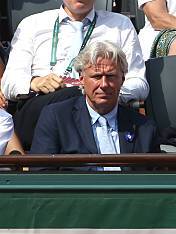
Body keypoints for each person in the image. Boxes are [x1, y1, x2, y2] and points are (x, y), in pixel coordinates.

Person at [1, 0, 148, 151]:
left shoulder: (120, 25)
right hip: (42, 104)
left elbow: (139, 83)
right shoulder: (32, 24)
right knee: (75, 98)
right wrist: (35, 82)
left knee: (81, 96)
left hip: (99, 108)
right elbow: (9, 83)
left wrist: (101, 90)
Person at [30, 41, 160, 170]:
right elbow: (41, 175)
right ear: (81, 80)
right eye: (97, 76)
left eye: (110, 76)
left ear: (122, 80)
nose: (104, 84)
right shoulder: (56, 118)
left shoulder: (144, 127)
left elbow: (157, 181)